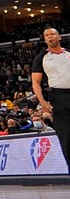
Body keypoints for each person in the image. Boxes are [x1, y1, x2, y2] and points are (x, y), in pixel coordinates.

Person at [31, 26, 70, 177]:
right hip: (58, 97)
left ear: (59, 37)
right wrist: (43, 103)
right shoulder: (41, 57)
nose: (49, 37)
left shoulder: (68, 53)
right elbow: (36, 83)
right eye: (46, 35)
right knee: (66, 136)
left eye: (52, 34)